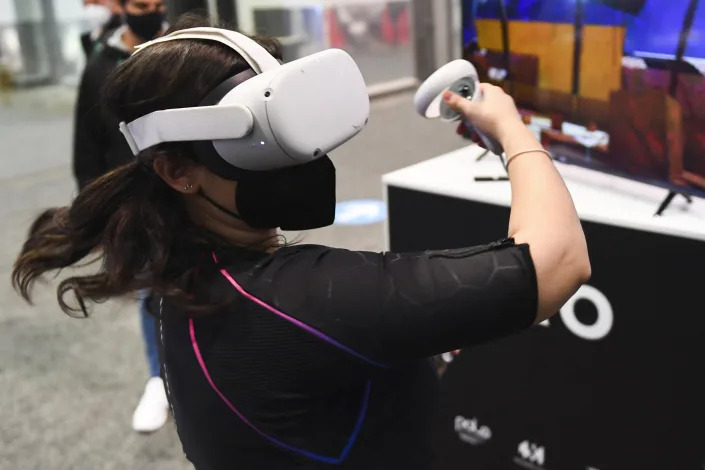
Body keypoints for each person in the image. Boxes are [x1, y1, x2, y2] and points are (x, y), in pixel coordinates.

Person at [15, 15, 590, 470]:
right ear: (175, 170)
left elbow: (309, 370)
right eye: (255, 138)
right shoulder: (302, 298)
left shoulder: (184, 276)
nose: (295, 160)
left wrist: (413, 348)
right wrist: (511, 129)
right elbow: (559, 260)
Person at [72, 0, 169, 433]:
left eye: (157, 4)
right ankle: (158, 379)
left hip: (189, 189)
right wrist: (95, 210)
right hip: (133, 202)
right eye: (141, 4)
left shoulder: (183, 49)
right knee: (150, 290)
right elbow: (87, 143)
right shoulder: (100, 67)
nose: (150, 12)